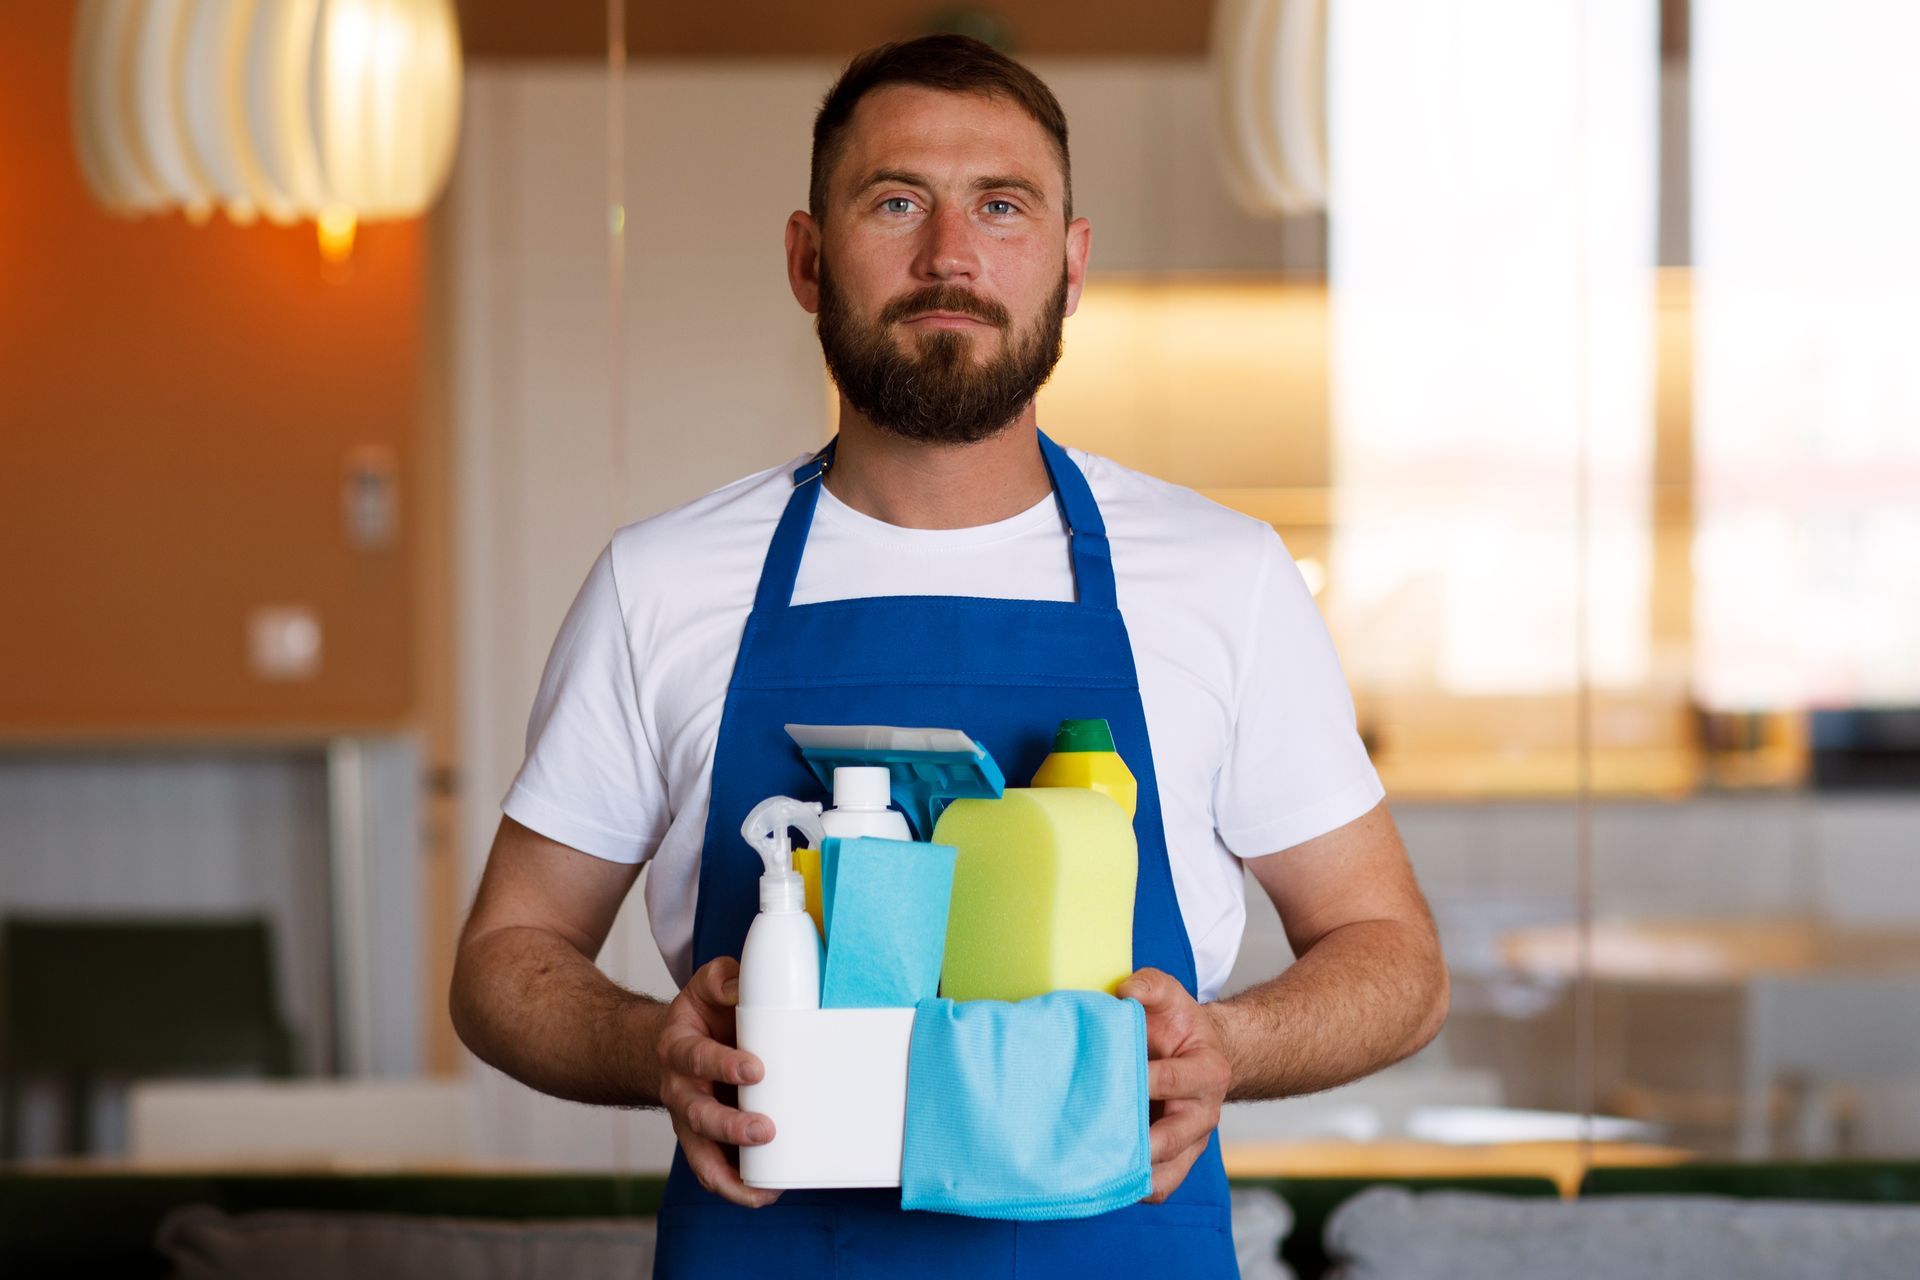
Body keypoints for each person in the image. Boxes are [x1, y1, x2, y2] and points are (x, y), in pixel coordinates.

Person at [451, 33, 1447, 1279]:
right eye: (897, 201)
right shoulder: (663, 583)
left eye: (1003, 206)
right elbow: (504, 958)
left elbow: (1394, 954)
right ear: (810, 260)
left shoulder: (1220, 576)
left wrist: (1225, 1045)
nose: (951, 257)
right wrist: (656, 1043)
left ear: (1071, 266)